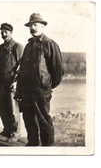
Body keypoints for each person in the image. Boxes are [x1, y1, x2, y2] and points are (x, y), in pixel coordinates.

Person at [15, 13, 64, 146]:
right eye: (30, 25)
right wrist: (19, 90)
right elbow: (22, 70)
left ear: (42, 26)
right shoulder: (29, 46)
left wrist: (46, 86)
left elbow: (58, 70)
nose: (33, 27)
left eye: (35, 24)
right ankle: (33, 143)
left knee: (43, 119)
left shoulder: (49, 44)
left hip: (41, 91)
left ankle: (47, 147)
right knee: (28, 118)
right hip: (26, 91)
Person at [0, 23, 24, 142]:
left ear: (11, 32)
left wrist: (16, 82)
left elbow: (22, 67)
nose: (3, 34)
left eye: (6, 32)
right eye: (2, 31)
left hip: (12, 84)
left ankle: (15, 134)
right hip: (2, 84)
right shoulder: (0, 48)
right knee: (3, 109)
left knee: (13, 110)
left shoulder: (18, 47)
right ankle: (7, 129)